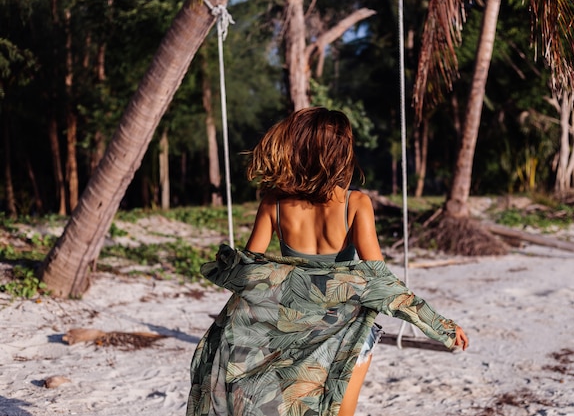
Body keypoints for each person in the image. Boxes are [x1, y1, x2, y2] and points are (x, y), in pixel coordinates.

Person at [186, 107, 469, 416]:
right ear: (340, 153)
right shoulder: (356, 204)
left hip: (288, 334)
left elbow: (250, 275)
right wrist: (440, 325)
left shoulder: (274, 203)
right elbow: (378, 278)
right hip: (344, 334)